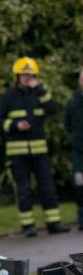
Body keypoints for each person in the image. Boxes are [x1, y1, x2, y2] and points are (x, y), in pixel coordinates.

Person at [0, 56, 69, 236]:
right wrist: (15, 125)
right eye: (24, 75)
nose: (27, 79)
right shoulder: (7, 98)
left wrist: (39, 89)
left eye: (31, 76)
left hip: (39, 151)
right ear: (17, 76)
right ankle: (28, 226)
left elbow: (54, 109)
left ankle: (53, 223)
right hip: (18, 153)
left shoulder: (40, 94)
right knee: (24, 189)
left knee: (47, 187)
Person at [65, 67, 83, 230]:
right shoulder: (73, 103)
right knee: (79, 185)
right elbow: (67, 125)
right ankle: (81, 219)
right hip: (79, 152)